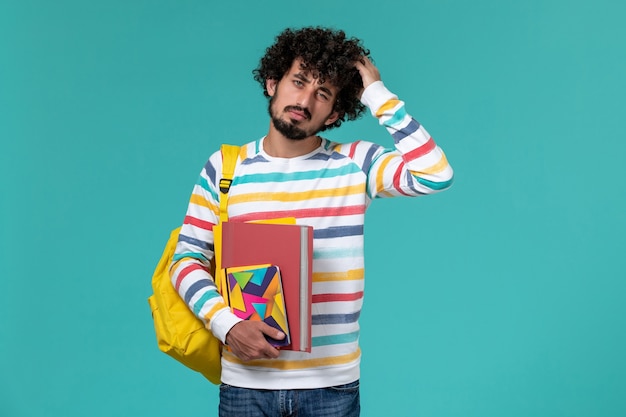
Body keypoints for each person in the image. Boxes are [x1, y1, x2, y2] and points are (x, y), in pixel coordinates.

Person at [170, 26, 454, 416]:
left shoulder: (356, 163)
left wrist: (377, 95)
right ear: (273, 82)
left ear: (335, 112)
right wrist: (226, 324)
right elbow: (186, 260)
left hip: (332, 386)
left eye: (322, 94)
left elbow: (434, 174)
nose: (304, 100)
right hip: (247, 385)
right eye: (298, 81)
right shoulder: (225, 169)